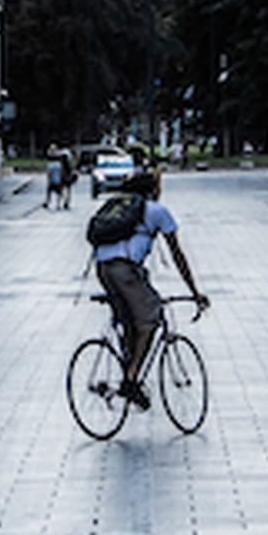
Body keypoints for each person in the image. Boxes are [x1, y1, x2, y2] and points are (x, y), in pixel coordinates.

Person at [91, 167, 209, 409]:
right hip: (126, 270)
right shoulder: (157, 211)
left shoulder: (120, 210)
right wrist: (195, 291)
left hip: (103, 269)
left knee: (131, 322)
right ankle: (131, 380)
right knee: (149, 319)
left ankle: (126, 372)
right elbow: (178, 255)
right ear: (153, 191)